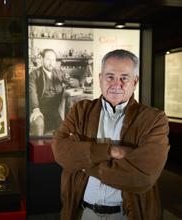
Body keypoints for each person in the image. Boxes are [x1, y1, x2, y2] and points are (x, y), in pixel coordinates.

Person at [52, 49, 170, 220]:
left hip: (127, 215)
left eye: (124, 77)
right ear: (100, 79)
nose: (116, 84)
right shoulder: (80, 110)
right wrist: (112, 151)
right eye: (110, 77)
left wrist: (84, 164)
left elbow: (143, 177)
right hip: (84, 213)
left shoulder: (154, 119)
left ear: (135, 81)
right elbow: (60, 151)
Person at [29, 48, 70, 136]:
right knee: (38, 125)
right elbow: (32, 93)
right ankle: (39, 149)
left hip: (54, 111)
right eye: (48, 59)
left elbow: (75, 82)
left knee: (65, 132)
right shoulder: (34, 74)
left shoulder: (59, 73)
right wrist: (36, 109)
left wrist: (70, 80)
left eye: (53, 60)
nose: (51, 62)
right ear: (42, 59)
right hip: (40, 109)